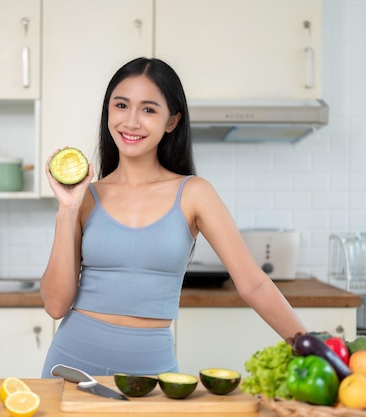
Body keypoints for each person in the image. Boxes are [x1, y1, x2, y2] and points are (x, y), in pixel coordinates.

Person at [39, 57, 306, 378]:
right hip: (70, 365)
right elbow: (55, 306)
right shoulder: (84, 198)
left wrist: (312, 346)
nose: (132, 121)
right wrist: (66, 210)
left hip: (150, 372)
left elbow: (254, 284)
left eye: (149, 109)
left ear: (172, 121)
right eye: (121, 105)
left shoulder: (194, 193)